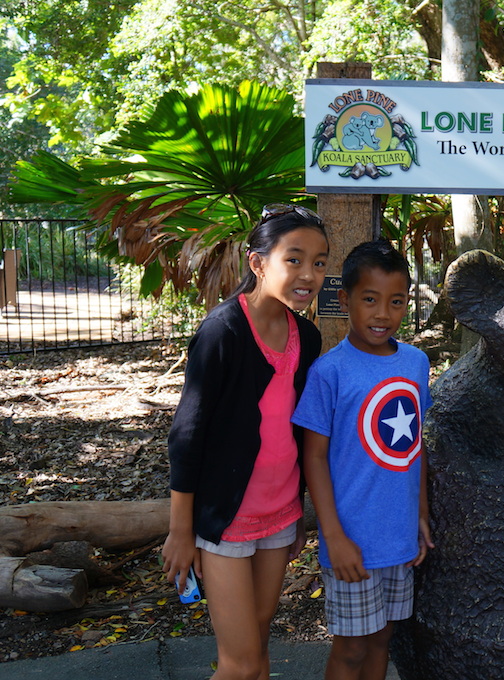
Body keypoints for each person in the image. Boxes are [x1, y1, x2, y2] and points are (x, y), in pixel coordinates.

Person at [161, 204, 329, 680]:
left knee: (257, 642)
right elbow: (187, 434)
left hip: (279, 515)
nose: (309, 274)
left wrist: (295, 513)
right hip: (227, 519)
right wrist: (180, 530)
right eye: (293, 259)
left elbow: (294, 432)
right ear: (258, 263)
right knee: (238, 663)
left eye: (319, 262)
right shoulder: (223, 331)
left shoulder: (308, 338)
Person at [292, 240, 433, 680]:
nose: (382, 314)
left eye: (395, 302)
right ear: (345, 300)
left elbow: (416, 444)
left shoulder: (414, 363)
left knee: (382, 639)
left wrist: (422, 514)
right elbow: (313, 456)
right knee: (351, 648)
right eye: (369, 300)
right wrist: (332, 536)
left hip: (398, 535)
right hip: (351, 538)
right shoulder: (328, 372)